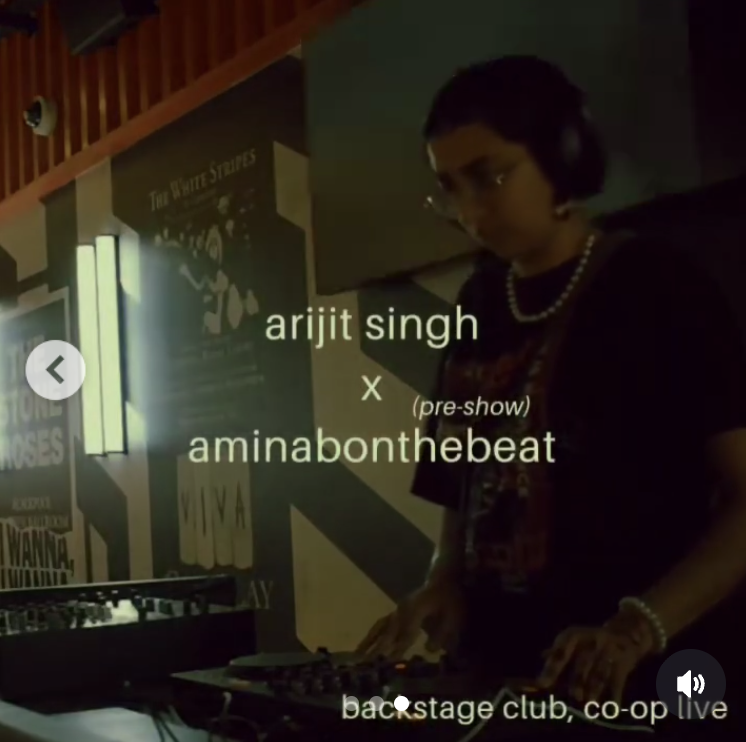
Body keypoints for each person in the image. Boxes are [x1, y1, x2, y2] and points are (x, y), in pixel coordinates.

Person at [357, 56, 746, 727]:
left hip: (645, 685)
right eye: (449, 187)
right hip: (504, 679)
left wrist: (636, 628)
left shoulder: (659, 286)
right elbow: (460, 480)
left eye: (489, 177)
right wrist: (444, 579)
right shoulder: (479, 301)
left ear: (564, 158)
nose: (469, 212)